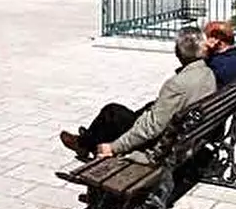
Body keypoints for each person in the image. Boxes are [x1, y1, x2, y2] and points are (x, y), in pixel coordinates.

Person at [59, 26, 216, 162]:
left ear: (178, 52)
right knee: (126, 113)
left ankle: (85, 143)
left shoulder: (176, 84)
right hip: (189, 133)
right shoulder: (207, 73)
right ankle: (89, 138)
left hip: (163, 144)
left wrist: (113, 147)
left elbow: (151, 129)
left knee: (112, 112)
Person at [203, 21, 236, 88]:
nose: (205, 42)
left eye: (207, 37)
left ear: (216, 39)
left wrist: (204, 52)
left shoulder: (218, 64)